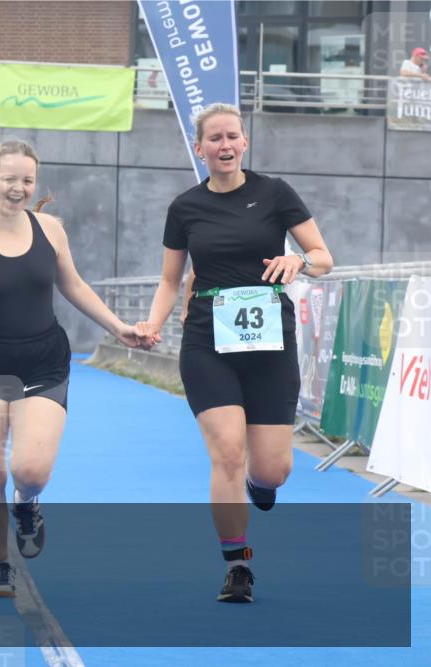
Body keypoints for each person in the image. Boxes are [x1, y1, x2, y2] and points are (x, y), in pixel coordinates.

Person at [0, 139, 143, 597]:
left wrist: (118, 326)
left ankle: (28, 502)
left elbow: (74, 285)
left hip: (42, 360)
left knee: (31, 471)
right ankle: (1, 563)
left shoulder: (50, 230)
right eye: (9, 179)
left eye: (27, 180)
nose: (19, 188)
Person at [136, 103, 333, 604]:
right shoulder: (185, 207)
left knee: (272, 471)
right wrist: (152, 325)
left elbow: (324, 258)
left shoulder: (275, 193)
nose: (225, 146)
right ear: (199, 148)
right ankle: (237, 564)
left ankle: (257, 480)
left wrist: (299, 259)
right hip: (207, 340)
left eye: (233, 136)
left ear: (244, 142)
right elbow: (169, 279)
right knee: (225, 449)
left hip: (270, 342)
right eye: (215, 139)